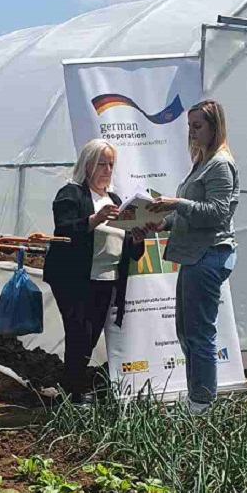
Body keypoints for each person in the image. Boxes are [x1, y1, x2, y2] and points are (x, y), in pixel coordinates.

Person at [149, 100, 239, 415]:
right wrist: (163, 222)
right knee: (187, 331)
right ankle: (196, 400)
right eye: (189, 126)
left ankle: (201, 404)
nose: (192, 132)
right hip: (195, 255)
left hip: (208, 254)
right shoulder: (203, 162)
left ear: (216, 127)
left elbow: (217, 213)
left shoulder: (220, 165)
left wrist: (177, 203)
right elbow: (191, 214)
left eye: (198, 126)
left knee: (199, 333)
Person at [42, 140, 149, 404]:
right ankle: (75, 394)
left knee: (90, 335)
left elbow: (133, 253)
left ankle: (70, 386)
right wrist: (94, 220)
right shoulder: (71, 194)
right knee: (79, 331)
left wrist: (137, 237)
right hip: (73, 277)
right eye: (102, 163)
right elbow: (64, 230)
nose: (108, 169)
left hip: (106, 279)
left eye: (111, 163)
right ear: (87, 164)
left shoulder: (115, 200)